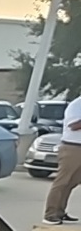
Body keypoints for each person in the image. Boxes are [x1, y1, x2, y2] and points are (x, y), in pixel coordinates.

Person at [43, 92, 81, 224]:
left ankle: (60, 211)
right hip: (72, 148)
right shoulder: (77, 105)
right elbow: (74, 125)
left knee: (72, 182)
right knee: (61, 182)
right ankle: (50, 214)